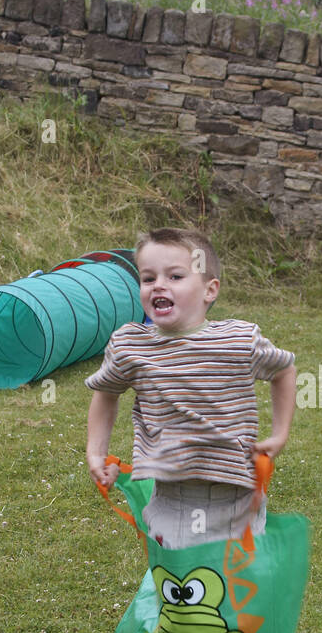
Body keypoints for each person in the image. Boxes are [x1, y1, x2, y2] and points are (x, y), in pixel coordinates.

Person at [85, 228, 296, 548]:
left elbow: (284, 370)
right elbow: (106, 393)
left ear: (209, 290)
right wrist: (97, 451)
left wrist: (279, 434)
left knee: (236, 587)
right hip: (172, 498)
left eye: (175, 276)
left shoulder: (238, 340)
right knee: (184, 586)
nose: (158, 285)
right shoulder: (131, 345)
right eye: (148, 278)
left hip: (236, 495)